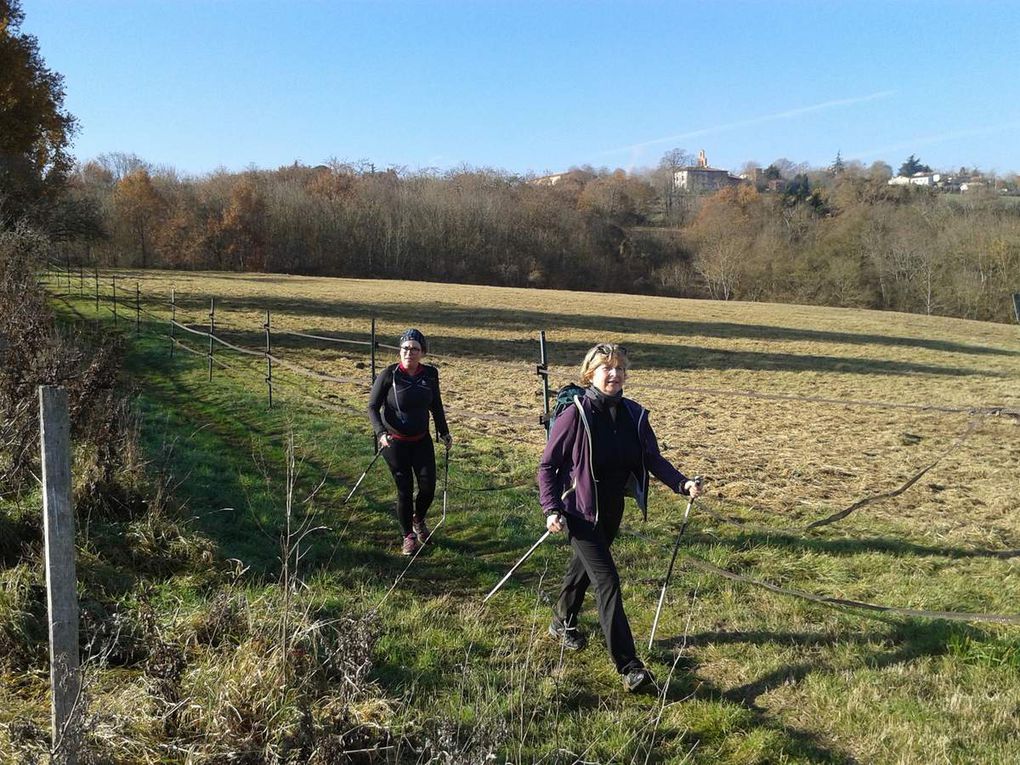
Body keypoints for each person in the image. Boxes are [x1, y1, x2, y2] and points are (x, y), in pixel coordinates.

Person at [537, 343, 703, 692]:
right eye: (605, 368)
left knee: (582, 569)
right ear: (590, 374)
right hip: (578, 511)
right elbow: (548, 465)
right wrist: (551, 508)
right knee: (607, 580)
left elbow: (652, 458)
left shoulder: (634, 415)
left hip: (611, 509)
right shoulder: (576, 413)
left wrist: (681, 482)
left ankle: (561, 621)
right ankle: (629, 666)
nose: (614, 374)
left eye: (619, 368)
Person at [368, 328, 453, 555]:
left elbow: (436, 406)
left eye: (415, 348)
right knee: (404, 490)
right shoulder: (389, 375)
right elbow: (372, 407)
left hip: (421, 440)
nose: (409, 352)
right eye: (405, 348)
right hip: (394, 443)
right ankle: (408, 535)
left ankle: (419, 519)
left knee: (428, 487)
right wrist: (380, 433)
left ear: (422, 352)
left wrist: (443, 432)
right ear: (400, 351)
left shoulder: (430, 375)